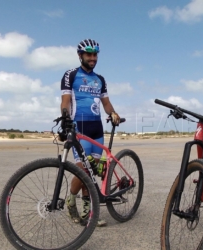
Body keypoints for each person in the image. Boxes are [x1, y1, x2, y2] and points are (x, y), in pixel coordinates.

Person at [60, 39, 120, 227]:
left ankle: (87, 214)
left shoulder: (100, 79)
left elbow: (106, 103)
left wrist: (113, 113)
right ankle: (71, 201)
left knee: (92, 171)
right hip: (79, 128)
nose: (93, 58)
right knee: (82, 169)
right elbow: (66, 100)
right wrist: (65, 119)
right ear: (80, 55)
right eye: (89, 54)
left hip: (97, 130)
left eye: (95, 54)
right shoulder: (71, 75)